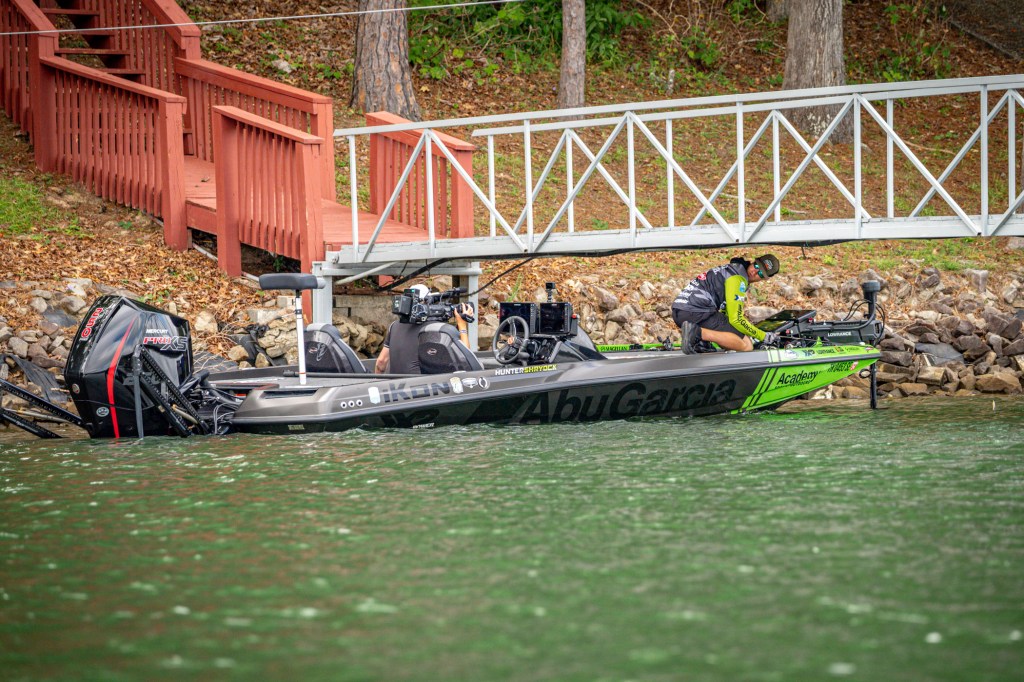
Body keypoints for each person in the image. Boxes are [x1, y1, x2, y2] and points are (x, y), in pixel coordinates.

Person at [671, 254, 781, 353]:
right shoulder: (738, 279)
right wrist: (762, 336)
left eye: (760, 273)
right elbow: (736, 319)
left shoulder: (733, 268)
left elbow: (725, 311)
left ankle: (700, 341)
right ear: (753, 261)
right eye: (756, 266)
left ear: (765, 279)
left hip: (680, 311)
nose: (754, 272)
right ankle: (697, 333)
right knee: (746, 345)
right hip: (696, 312)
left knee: (731, 339)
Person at [374, 284, 474, 373]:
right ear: (428, 301)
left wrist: (376, 382)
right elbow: (466, 359)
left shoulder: (394, 326)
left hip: (394, 385)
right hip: (421, 386)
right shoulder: (436, 329)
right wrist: (462, 324)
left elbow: (381, 362)